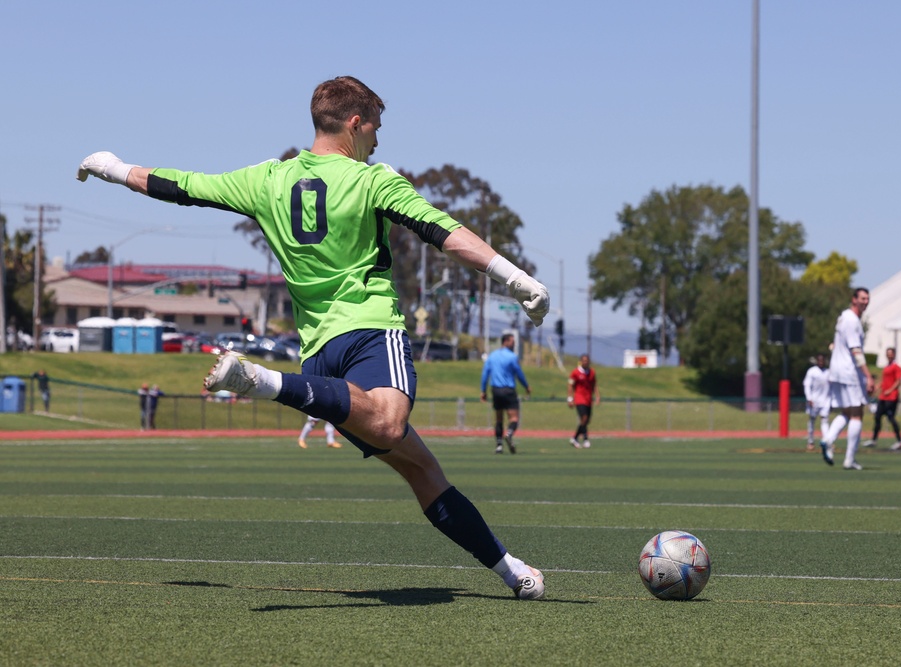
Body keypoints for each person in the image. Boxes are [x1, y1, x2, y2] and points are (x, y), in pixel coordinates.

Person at [77, 76, 550, 600]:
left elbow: (182, 185)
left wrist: (114, 169)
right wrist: (515, 277)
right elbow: (443, 232)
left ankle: (511, 572)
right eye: (375, 127)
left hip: (320, 359)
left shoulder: (267, 179)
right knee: (391, 425)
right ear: (354, 123)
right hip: (371, 332)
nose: (377, 140)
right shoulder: (374, 181)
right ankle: (265, 382)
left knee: (421, 468)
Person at [819, 288, 875, 471]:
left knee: (847, 411)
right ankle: (849, 459)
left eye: (867, 298)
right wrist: (868, 375)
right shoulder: (851, 320)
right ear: (854, 299)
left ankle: (828, 440)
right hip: (848, 371)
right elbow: (855, 350)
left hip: (836, 370)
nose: (865, 302)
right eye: (862, 298)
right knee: (857, 413)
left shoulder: (843, 317)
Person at [480, 333, 531, 454]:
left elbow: (485, 374)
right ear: (505, 342)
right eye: (512, 342)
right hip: (508, 390)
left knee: (498, 419)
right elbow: (519, 373)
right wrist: (526, 386)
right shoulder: (512, 357)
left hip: (496, 390)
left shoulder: (492, 356)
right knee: (514, 418)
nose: (514, 344)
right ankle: (509, 434)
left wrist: (483, 390)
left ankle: (499, 445)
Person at [864, 347, 901, 450]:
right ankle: (873, 440)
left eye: (891, 353)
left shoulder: (896, 367)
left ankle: (900, 441)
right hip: (883, 397)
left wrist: (890, 390)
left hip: (892, 397)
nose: (889, 355)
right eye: (888, 353)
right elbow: (884, 381)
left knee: (891, 418)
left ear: (894, 354)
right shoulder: (886, 368)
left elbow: (898, 381)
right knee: (877, 417)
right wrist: (877, 388)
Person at [567, 353, 599, 449]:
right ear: (581, 361)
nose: (585, 362)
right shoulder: (576, 372)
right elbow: (570, 385)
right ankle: (584, 439)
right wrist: (570, 398)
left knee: (586, 420)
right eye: (584, 360)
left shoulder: (592, 372)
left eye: (587, 360)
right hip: (579, 399)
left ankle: (577, 439)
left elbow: (594, 385)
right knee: (584, 418)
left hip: (588, 399)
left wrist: (597, 396)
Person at [802, 353, 830, 452]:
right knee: (812, 421)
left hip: (825, 401)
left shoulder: (828, 372)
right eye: (820, 360)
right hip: (813, 401)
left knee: (825, 420)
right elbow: (807, 385)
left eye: (823, 360)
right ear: (817, 361)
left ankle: (827, 442)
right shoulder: (812, 371)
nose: (821, 362)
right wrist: (809, 398)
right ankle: (810, 441)